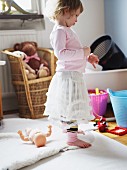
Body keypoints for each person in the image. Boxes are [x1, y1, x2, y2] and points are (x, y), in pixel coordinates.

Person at [44, 0, 99, 148]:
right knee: (71, 109)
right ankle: (72, 138)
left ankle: (70, 130)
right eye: (75, 15)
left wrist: (87, 56)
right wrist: (83, 52)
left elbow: (72, 51)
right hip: (69, 77)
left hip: (72, 75)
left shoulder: (67, 30)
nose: (76, 19)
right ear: (65, 11)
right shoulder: (59, 31)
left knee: (68, 107)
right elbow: (62, 54)